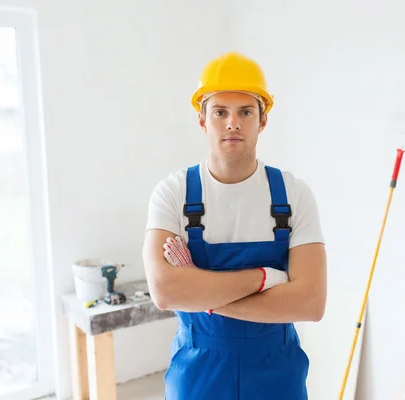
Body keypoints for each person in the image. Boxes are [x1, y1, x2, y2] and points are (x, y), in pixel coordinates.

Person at [142, 51, 327, 400]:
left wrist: (202, 294)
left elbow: (310, 303)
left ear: (263, 120)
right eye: (220, 112)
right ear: (202, 120)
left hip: (277, 369)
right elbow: (166, 293)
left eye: (245, 111)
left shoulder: (293, 195)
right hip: (198, 369)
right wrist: (267, 278)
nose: (232, 123)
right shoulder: (173, 193)